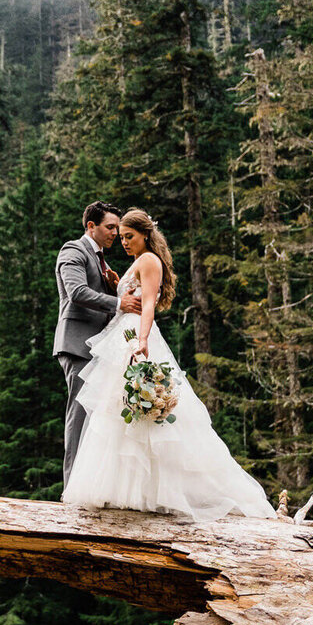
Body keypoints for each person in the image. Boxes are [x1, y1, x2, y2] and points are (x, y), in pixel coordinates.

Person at [62, 208, 277, 520]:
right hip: (122, 335)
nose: (123, 242)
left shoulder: (149, 260)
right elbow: (132, 294)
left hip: (135, 335)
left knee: (137, 415)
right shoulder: (139, 261)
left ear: (146, 235)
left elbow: (148, 303)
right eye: (121, 237)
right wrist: (117, 283)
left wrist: (143, 339)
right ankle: (126, 491)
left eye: (129, 236)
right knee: (118, 415)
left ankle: (150, 491)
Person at [54, 201, 142, 484]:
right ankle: (71, 488)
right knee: (79, 414)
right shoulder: (73, 250)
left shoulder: (100, 259)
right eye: (110, 227)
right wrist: (120, 301)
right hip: (78, 343)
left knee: (97, 415)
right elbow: (77, 291)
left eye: (117, 228)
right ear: (90, 226)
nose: (115, 233)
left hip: (98, 346)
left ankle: (90, 483)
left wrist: (112, 285)